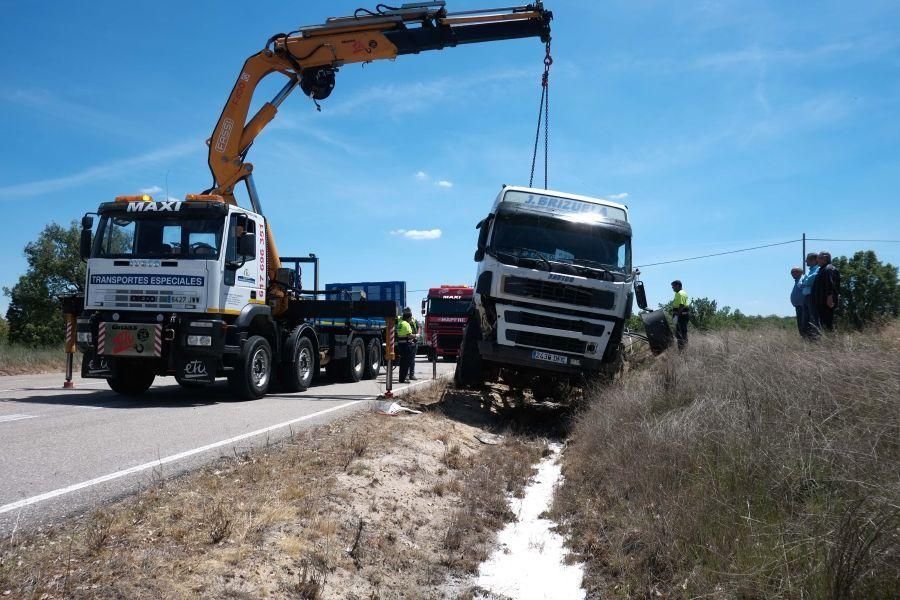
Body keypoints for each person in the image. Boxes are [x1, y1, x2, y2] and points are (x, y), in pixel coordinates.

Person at [812, 251, 840, 332]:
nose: (817, 260)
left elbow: (830, 284)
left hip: (826, 302)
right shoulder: (822, 269)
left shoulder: (829, 269)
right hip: (821, 302)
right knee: (823, 323)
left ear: (825, 258)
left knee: (828, 323)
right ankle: (827, 338)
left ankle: (831, 338)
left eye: (819, 258)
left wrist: (830, 297)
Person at [799, 252, 819, 337]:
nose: (805, 261)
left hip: (812, 296)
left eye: (807, 259)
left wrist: (805, 283)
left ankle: (815, 337)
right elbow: (800, 282)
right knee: (805, 319)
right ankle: (807, 338)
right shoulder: (809, 271)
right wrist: (805, 282)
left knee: (813, 317)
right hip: (806, 297)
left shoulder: (818, 269)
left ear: (813, 260)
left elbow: (811, 280)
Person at [395, 310, 416, 383]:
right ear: (408, 317)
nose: (411, 319)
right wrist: (416, 336)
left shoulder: (400, 323)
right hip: (406, 346)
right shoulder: (406, 324)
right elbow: (409, 335)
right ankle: (404, 379)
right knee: (406, 363)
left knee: (402, 363)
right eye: (410, 318)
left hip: (400, 345)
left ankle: (401, 379)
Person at [671, 280, 689, 350]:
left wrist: (676, 315)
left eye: (673, 286)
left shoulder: (680, 293)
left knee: (680, 333)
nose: (672, 288)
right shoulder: (680, 293)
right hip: (682, 315)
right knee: (681, 333)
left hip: (681, 315)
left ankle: (682, 350)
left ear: (678, 286)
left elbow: (681, 305)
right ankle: (683, 349)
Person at [402, 307, 419, 380]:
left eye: (409, 312)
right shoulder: (402, 320)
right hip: (407, 341)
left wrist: (417, 335)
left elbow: (418, 327)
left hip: (414, 341)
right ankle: (406, 374)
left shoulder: (414, 319)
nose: (409, 313)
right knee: (406, 359)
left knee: (412, 359)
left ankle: (411, 375)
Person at [790, 267, 805, 335]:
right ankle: (803, 338)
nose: (792, 274)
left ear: (800, 272)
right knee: (800, 324)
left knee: (803, 323)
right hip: (798, 306)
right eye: (792, 272)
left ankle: (806, 338)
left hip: (803, 306)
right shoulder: (797, 281)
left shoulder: (802, 279)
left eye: (795, 272)